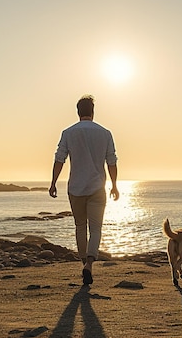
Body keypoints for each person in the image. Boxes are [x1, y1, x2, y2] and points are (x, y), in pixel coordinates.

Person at [49, 95, 119, 285]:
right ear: (93, 112)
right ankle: (89, 264)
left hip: (76, 188)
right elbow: (111, 161)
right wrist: (114, 185)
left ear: (78, 111)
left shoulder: (68, 133)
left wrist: (53, 182)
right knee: (95, 229)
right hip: (97, 187)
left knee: (80, 226)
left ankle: (83, 263)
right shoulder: (105, 133)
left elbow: (59, 159)